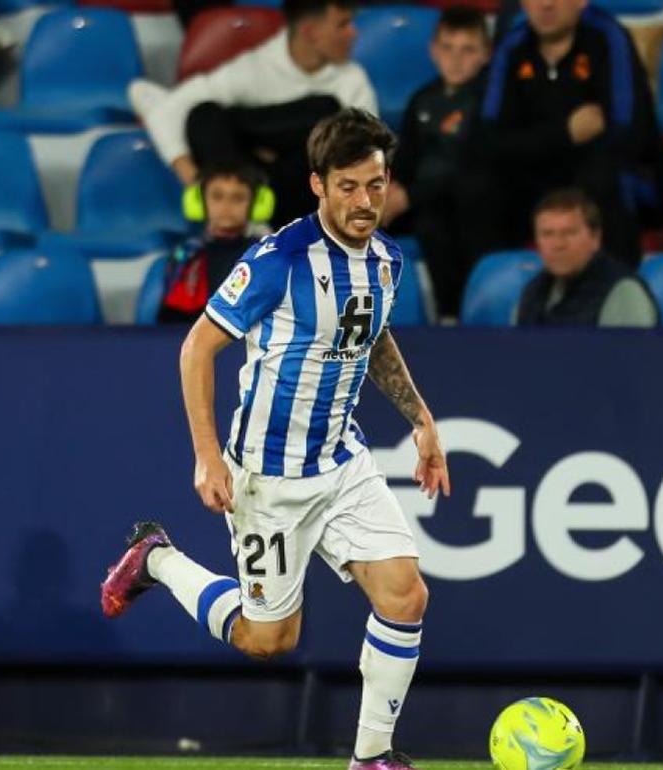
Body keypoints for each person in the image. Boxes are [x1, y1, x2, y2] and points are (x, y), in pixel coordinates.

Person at [102, 109, 450, 770]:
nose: (364, 201)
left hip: (341, 460)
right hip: (269, 477)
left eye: (375, 185)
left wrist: (420, 419)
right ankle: (156, 559)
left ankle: (372, 758)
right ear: (318, 185)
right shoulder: (279, 259)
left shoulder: (385, 259)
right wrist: (207, 456)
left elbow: (368, 337)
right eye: (348, 186)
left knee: (407, 595)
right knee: (269, 640)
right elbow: (196, 349)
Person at [128, 0, 378, 228]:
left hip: (303, 194)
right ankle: (240, 208)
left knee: (329, 115)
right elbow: (158, 104)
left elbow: (366, 159)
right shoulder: (254, 68)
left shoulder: (353, 81)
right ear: (310, 32)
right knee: (204, 115)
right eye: (343, 25)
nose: (353, 33)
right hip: (249, 179)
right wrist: (192, 178)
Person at [479, 0, 663, 268]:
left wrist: (536, 145)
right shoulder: (513, 47)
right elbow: (491, 140)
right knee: (480, 184)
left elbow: (627, 133)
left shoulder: (607, 37)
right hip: (538, 172)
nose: (546, 5)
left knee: (603, 177)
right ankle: (484, 299)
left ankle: (616, 293)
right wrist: (566, 134)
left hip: (616, 173)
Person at [383, 5, 492, 319]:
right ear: (433, 50)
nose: (455, 59)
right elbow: (406, 160)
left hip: (467, 205)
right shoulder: (423, 98)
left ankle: (451, 314)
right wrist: (388, 193)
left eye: (467, 50)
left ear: (486, 53)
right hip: (418, 200)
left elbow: (470, 165)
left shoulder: (490, 99)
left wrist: (410, 196)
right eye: (447, 48)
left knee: (440, 217)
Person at [516, 188, 658, 327]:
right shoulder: (533, 291)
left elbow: (630, 350)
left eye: (570, 233)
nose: (558, 244)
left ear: (595, 238)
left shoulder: (623, 292)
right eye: (547, 234)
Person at [157, 162, 263, 324]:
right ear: (200, 202)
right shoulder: (186, 253)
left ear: (256, 205)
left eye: (238, 198)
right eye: (217, 196)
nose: (226, 206)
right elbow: (170, 320)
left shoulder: (264, 254)